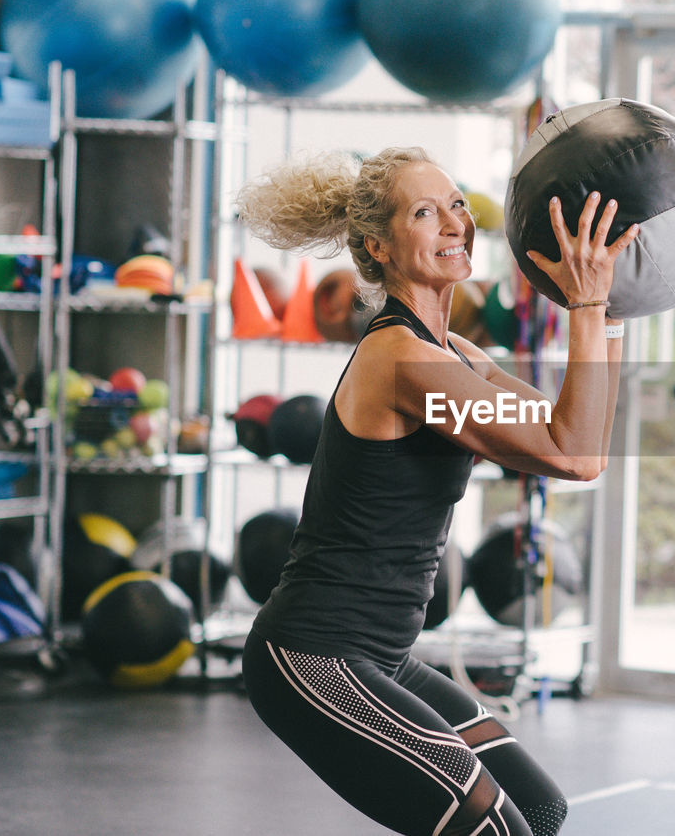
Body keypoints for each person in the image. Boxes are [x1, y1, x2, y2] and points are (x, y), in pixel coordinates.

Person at [234, 147, 639, 836]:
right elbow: (571, 452)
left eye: (456, 204)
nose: (454, 222)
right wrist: (587, 303)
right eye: (425, 212)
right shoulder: (401, 361)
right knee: (493, 829)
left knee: (538, 810)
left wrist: (618, 307)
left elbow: (584, 441)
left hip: (382, 656)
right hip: (315, 654)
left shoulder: (460, 359)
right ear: (378, 247)